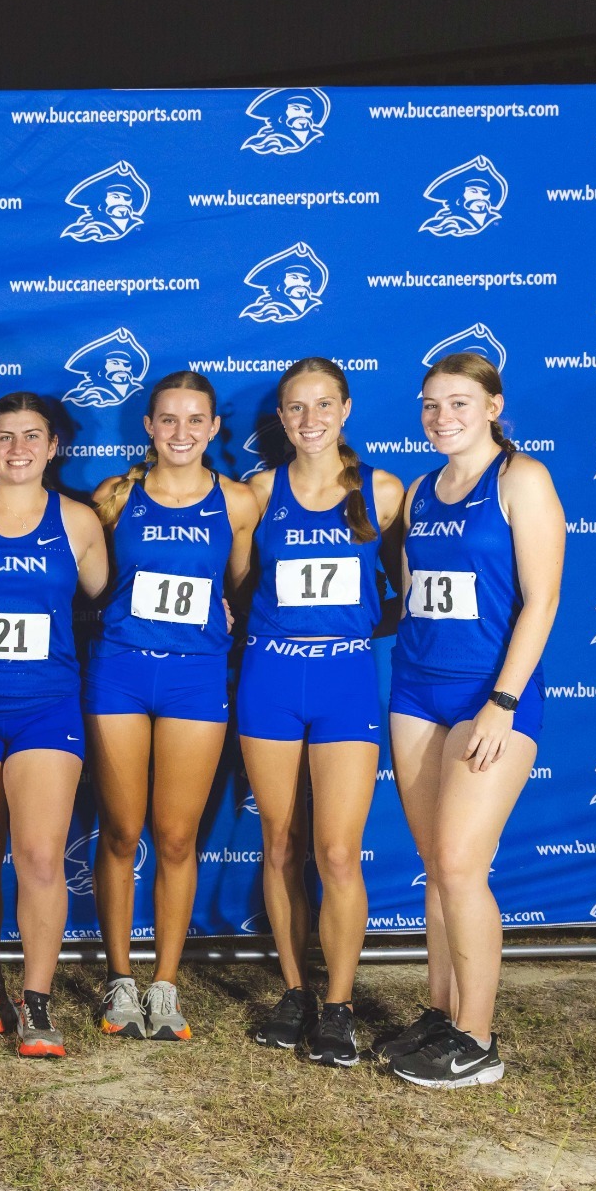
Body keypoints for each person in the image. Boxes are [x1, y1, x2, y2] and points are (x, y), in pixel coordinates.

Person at [380, 352, 563, 1088]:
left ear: (492, 405)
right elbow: (416, 592)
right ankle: (441, 1011)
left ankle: (478, 1039)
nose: (441, 416)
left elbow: (542, 599)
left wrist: (504, 700)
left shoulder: (522, 479)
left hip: (490, 696)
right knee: (437, 867)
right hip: (416, 689)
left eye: (458, 403)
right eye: (430, 404)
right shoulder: (423, 488)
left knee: (461, 863)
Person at [240, 360, 405, 1067]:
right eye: (295, 408)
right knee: (280, 841)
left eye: (322, 405)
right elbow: (235, 585)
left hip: (342, 678)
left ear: (345, 408)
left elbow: (407, 589)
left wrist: (355, 627)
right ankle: (294, 990)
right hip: (270, 677)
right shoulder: (258, 491)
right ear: (281, 416)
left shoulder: (385, 491)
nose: (309, 420)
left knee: (336, 851)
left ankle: (337, 1006)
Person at [87, 371, 256, 1041]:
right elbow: (89, 579)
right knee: (123, 832)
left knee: (178, 835)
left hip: (194, 677)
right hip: (120, 674)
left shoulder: (239, 502)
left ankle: (165, 983)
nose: (181, 433)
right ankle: (120, 978)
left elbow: (240, 582)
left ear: (214, 428)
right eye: (168, 419)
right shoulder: (115, 496)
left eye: (196, 420)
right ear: (149, 426)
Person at [0, 394, 110, 1057]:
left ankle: (36, 998)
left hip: (46, 706)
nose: (18, 448)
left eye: (32, 436)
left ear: (52, 447)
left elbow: (106, 598)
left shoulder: (77, 521)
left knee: (41, 853)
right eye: (5, 437)